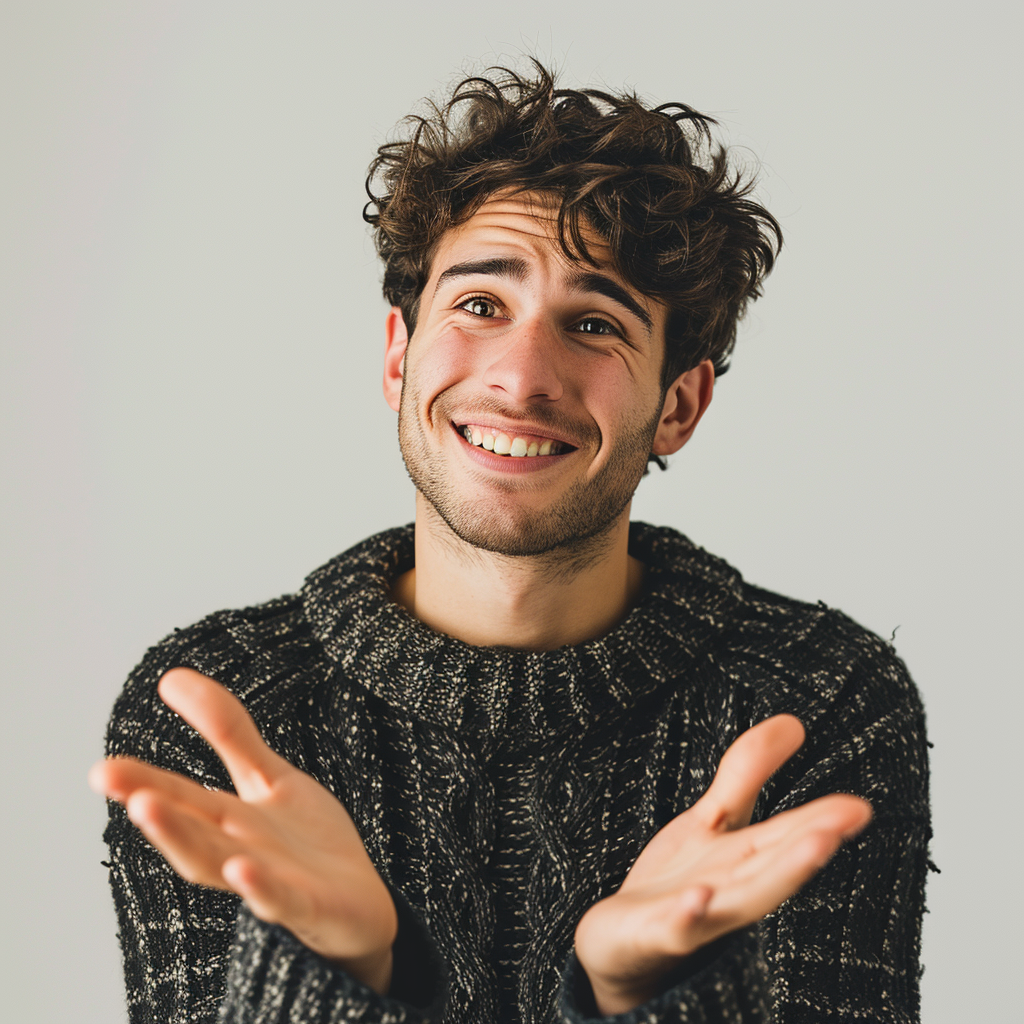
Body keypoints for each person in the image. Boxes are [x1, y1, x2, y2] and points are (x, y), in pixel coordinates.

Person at [90, 62, 931, 1024]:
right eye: (481, 306)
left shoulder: (817, 703)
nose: (522, 376)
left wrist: (643, 993)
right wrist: (350, 971)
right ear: (400, 354)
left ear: (679, 406)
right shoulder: (225, 716)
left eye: (594, 323)